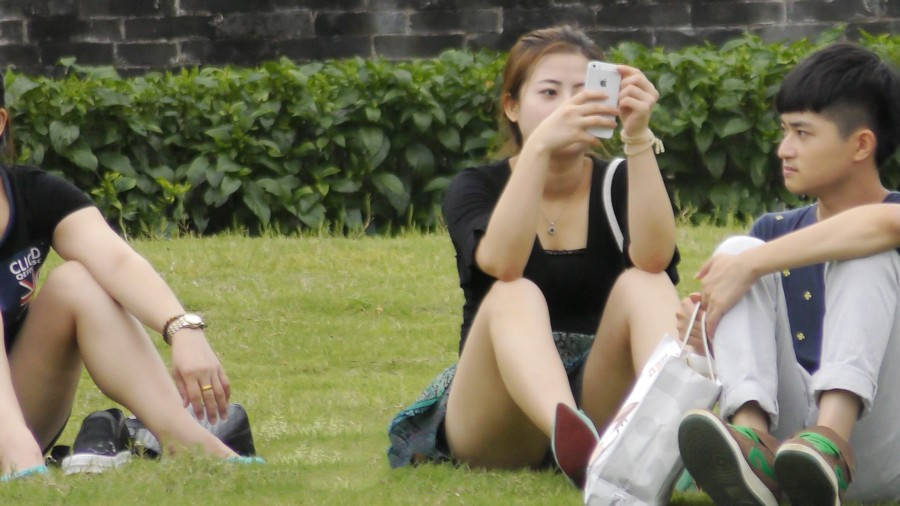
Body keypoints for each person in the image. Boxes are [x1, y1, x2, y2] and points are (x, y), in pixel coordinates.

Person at [387, 25, 683, 488]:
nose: (569, 105)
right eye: (549, 92)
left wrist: (638, 136)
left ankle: (671, 430)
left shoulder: (622, 179)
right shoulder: (475, 187)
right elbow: (504, 264)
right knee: (513, 292)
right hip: (500, 412)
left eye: (584, 90)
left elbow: (655, 259)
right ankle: (569, 436)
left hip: (599, 394)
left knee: (646, 281)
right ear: (512, 106)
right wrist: (541, 146)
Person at [0, 74, 257, 480]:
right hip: (9, 437)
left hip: (20, 405)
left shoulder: (31, 193)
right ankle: (17, 459)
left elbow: (116, 261)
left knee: (77, 281)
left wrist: (183, 328)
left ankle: (190, 444)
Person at [676, 43, 900, 505]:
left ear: (861, 144)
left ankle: (829, 444)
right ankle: (751, 446)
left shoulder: (891, 219)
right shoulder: (771, 234)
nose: (784, 150)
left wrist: (751, 265)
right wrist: (707, 335)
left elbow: (880, 226)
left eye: (802, 133)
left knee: (867, 252)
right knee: (738, 247)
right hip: (788, 448)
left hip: (877, 445)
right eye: (784, 131)